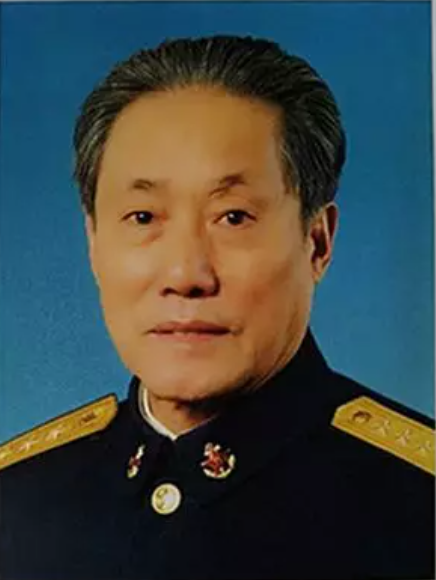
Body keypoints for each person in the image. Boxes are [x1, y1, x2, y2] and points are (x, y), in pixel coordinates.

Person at [0, 35, 434, 580]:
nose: (186, 275)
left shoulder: (418, 505)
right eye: (142, 217)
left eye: (233, 217)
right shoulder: (17, 499)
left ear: (317, 242)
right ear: (93, 242)